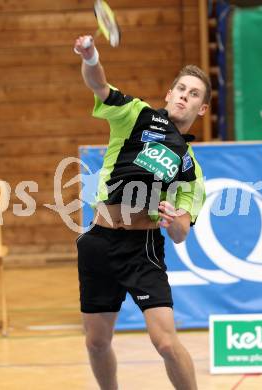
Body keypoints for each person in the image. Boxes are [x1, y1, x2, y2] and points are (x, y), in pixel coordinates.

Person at [74, 35, 211, 390]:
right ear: (168, 94)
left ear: (203, 108)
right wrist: (91, 55)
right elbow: (99, 85)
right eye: (180, 88)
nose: (184, 95)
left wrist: (176, 221)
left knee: (165, 342)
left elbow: (181, 232)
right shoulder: (136, 115)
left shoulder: (189, 168)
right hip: (99, 241)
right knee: (96, 341)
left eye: (194, 93)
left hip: (142, 249)